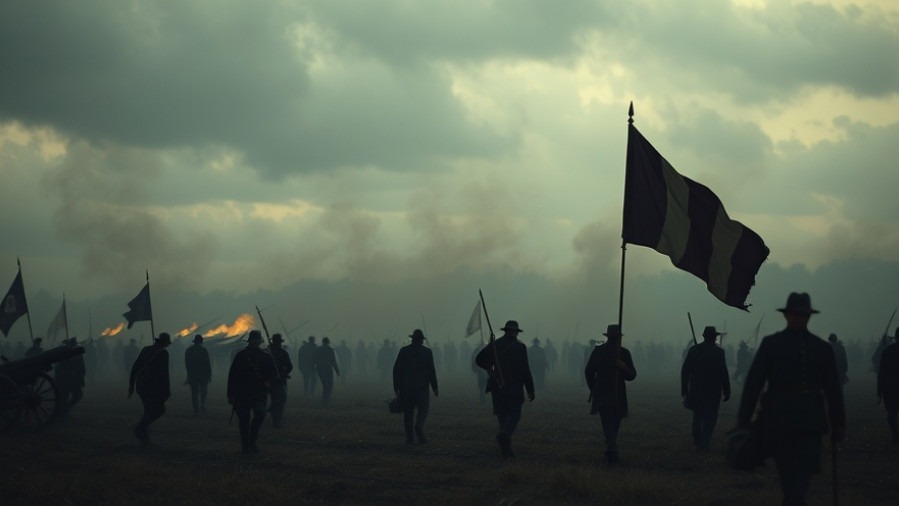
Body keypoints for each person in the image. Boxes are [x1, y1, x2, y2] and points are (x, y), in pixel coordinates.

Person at [736, 292, 846, 506]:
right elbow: (753, 384)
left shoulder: (822, 348)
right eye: (796, 314)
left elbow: (833, 390)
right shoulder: (771, 344)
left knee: (801, 480)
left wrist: (838, 423)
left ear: (808, 316)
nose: (799, 318)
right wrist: (743, 419)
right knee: (789, 478)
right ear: (787, 316)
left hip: (811, 423)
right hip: (780, 422)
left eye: (803, 315)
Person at [475, 320, 535, 460]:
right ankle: (506, 437)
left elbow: (479, 360)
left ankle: (506, 449)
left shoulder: (495, 345)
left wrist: (491, 369)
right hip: (514, 386)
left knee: (502, 416)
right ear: (514, 332)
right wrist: (530, 389)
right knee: (514, 415)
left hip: (497, 386)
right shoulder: (520, 347)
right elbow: (525, 370)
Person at [584, 324, 637, 465]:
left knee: (611, 424)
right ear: (618, 337)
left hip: (608, 393)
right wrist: (594, 388)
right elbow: (632, 375)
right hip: (611, 393)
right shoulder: (618, 352)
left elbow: (588, 372)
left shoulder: (620, 353)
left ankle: (610, 448)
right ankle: (612, 452)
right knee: (611, 424)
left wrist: (623, 367)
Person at [681, 326, 731, 452]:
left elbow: (685, 370)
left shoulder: (694, 350)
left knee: (698, 415)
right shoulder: (719, 352)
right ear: (714, 337)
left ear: (704, 336)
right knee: (711, 417)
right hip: (713, 390)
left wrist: (684, 387)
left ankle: (698, 439)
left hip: (697, 388)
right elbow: (723, 372)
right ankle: (704, 442)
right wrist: (727, 390)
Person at [227, 330, 278, 454]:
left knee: (260, 414)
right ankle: (245, 446)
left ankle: (252, 440)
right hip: (242, 393)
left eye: (256, 341)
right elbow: (233, 376)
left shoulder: (266, 356)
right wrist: (231, 394)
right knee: (244, 420)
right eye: (253, 341)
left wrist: (268, 382)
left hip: (258, 393)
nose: (255, 343)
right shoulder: (241, 356)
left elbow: (273, 375)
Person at [392, 329, 439, 444]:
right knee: (423, 409)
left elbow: (396, 370)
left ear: (412, 339)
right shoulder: (427, 352)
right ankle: (419, 426)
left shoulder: (404, 351)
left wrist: (396, 387)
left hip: (406, 387)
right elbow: (431, 371)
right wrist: (435, 387)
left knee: (408, 413)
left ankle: (410, 439)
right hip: (422, 386)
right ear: (421, 340)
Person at [129, 332, 172, 445]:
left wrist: (131, 384)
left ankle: (144, 435)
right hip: (153, 386)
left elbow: (136, 367)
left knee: (148, 410)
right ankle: (140, 428)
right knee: (159, 409)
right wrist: (166, 391)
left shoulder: (146, 349)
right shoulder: (163, 353)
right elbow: (164, 374)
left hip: (141, 384)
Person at [877, 327, 899, 444]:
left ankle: (896, 434)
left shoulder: (887, 351)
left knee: (891, 413)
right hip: (891, 387)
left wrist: (879, 391)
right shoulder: (887, 351)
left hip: (890, 388)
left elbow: (881, 373)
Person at [55, 337, 86, 419]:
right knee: (66, 396)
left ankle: (64, 409)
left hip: (73, 378)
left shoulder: (76, 354)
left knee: (77, 395)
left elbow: (81, 367)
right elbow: (60, 368)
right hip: (66, 379)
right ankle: (63, 412)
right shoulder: (63, 354)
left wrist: (80, 376)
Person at [268, 333, 293, 428]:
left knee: (277, 399)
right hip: (275, 380)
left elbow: (289, 367)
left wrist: (283, 373)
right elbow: (289, 367)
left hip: (275, 379)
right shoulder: (281, 352)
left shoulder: (268, 351)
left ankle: (275, 417)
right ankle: (276, 420)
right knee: (281, 399)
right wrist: (284, 373)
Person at [184, 334, 212, 417]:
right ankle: (202, 406)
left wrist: (189, 375)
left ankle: (196, 409)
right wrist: (209, 375)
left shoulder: (188, 350)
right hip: (203, 375)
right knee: (203, 392)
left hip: (193, 375)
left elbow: (187, 365)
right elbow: (207, 363)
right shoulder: (203, 350)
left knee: (194, 393)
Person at [315, 337, 340, 405]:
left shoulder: (318, 349)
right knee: (330, 384)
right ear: (328, 342)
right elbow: (333, 360)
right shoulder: (330, 349)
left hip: (319, 367)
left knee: (324, 384)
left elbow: (314, 359)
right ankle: (326, 398)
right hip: (328, 367)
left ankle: (324, 398)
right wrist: (337, 370)